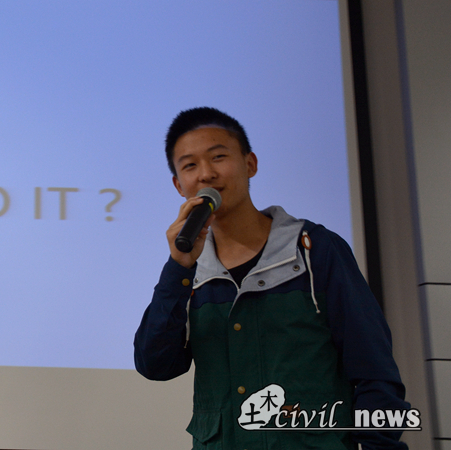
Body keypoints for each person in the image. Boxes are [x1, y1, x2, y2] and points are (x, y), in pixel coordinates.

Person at [134, 107, 410, 449]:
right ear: (179, 185)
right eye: (190, 165)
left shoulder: (313, 249)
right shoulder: (189, 272)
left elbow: (376, 373)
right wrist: (178, 267)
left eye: (218, 157)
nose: (206, 174)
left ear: (250, 164)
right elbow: (155, 365)